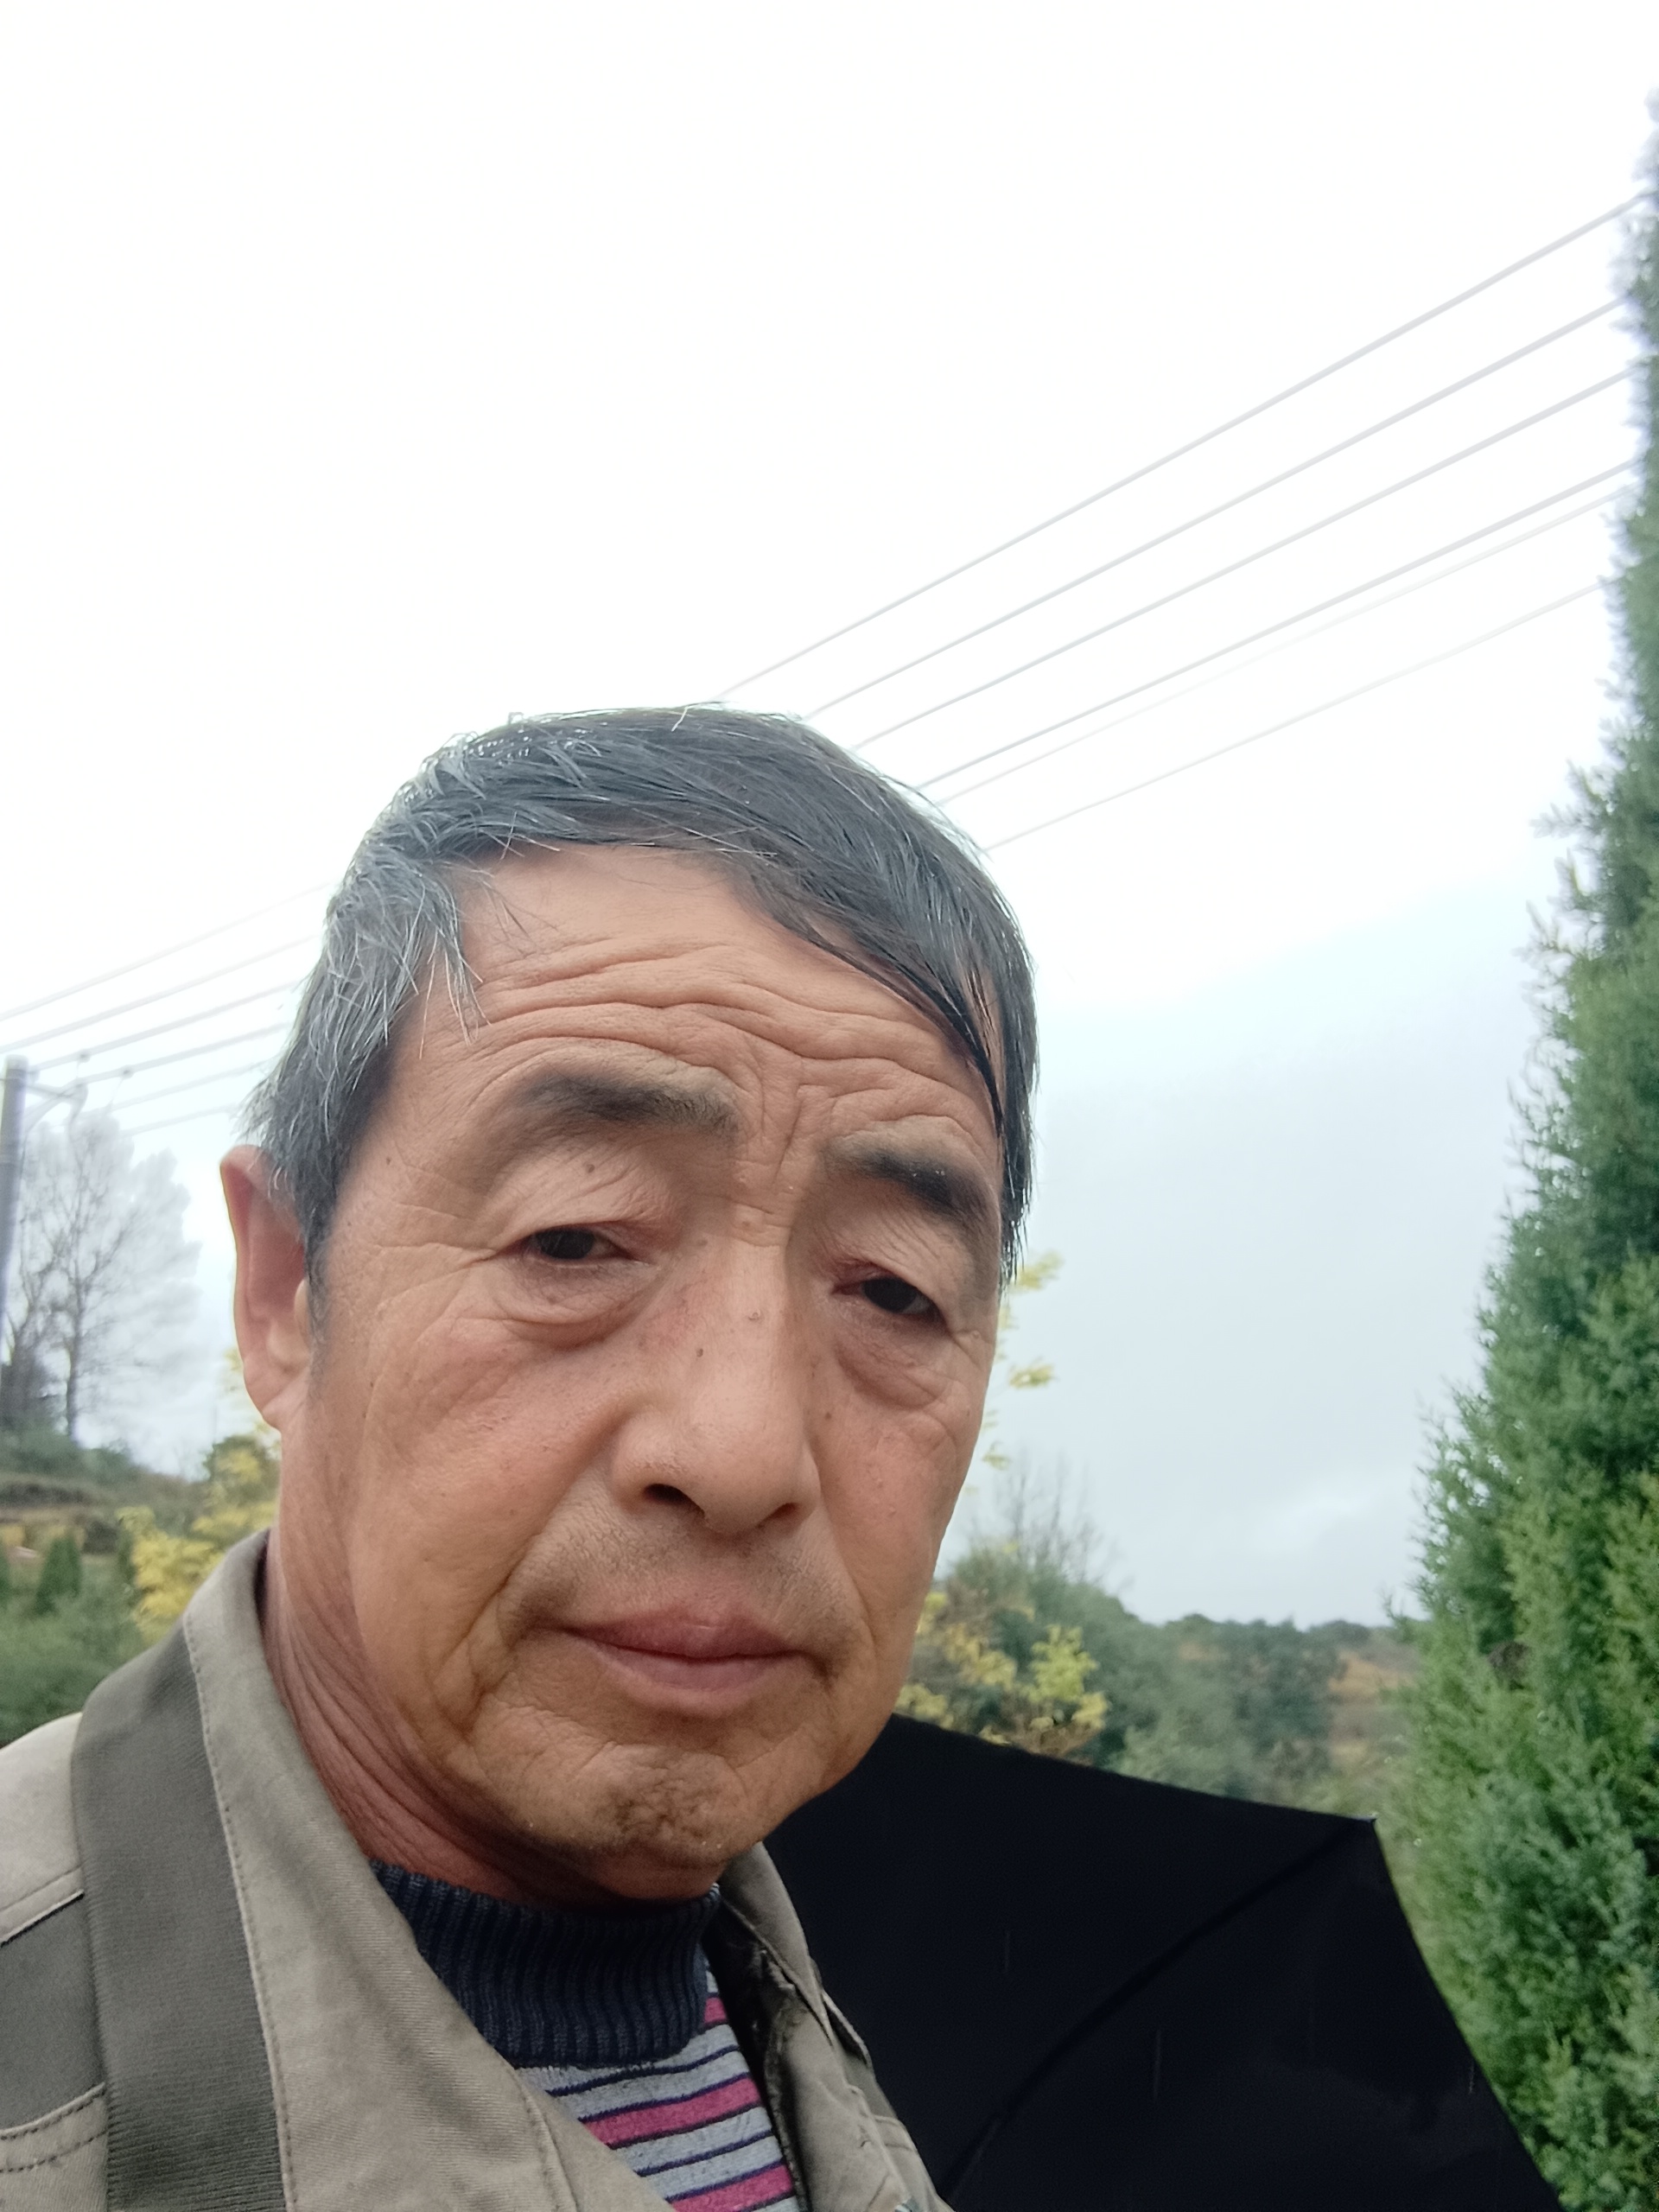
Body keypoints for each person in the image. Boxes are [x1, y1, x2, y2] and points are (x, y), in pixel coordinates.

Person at [0, 708, 1037, 2211]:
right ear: (285, 1292)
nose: (744, 1451)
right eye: (576, 1238)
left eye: (893, 1289)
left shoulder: (832, 2055)